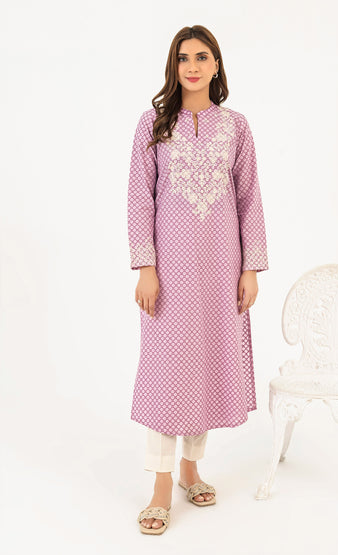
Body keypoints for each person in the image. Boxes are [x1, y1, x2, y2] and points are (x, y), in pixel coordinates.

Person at [127, 25, 269, 535]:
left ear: (216, 65)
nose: (192, 66)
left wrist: (250, 268)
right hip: (169, 271)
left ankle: (191, 469)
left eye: (202, 57)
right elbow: (140, 197)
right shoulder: (154, 124)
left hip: (222, 268)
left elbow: (249, 198)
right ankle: (161, 484)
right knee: (168, 370)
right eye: (184, 57)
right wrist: (146, 267)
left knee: (206, 364)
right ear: (174, 65)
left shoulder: (236, 127)